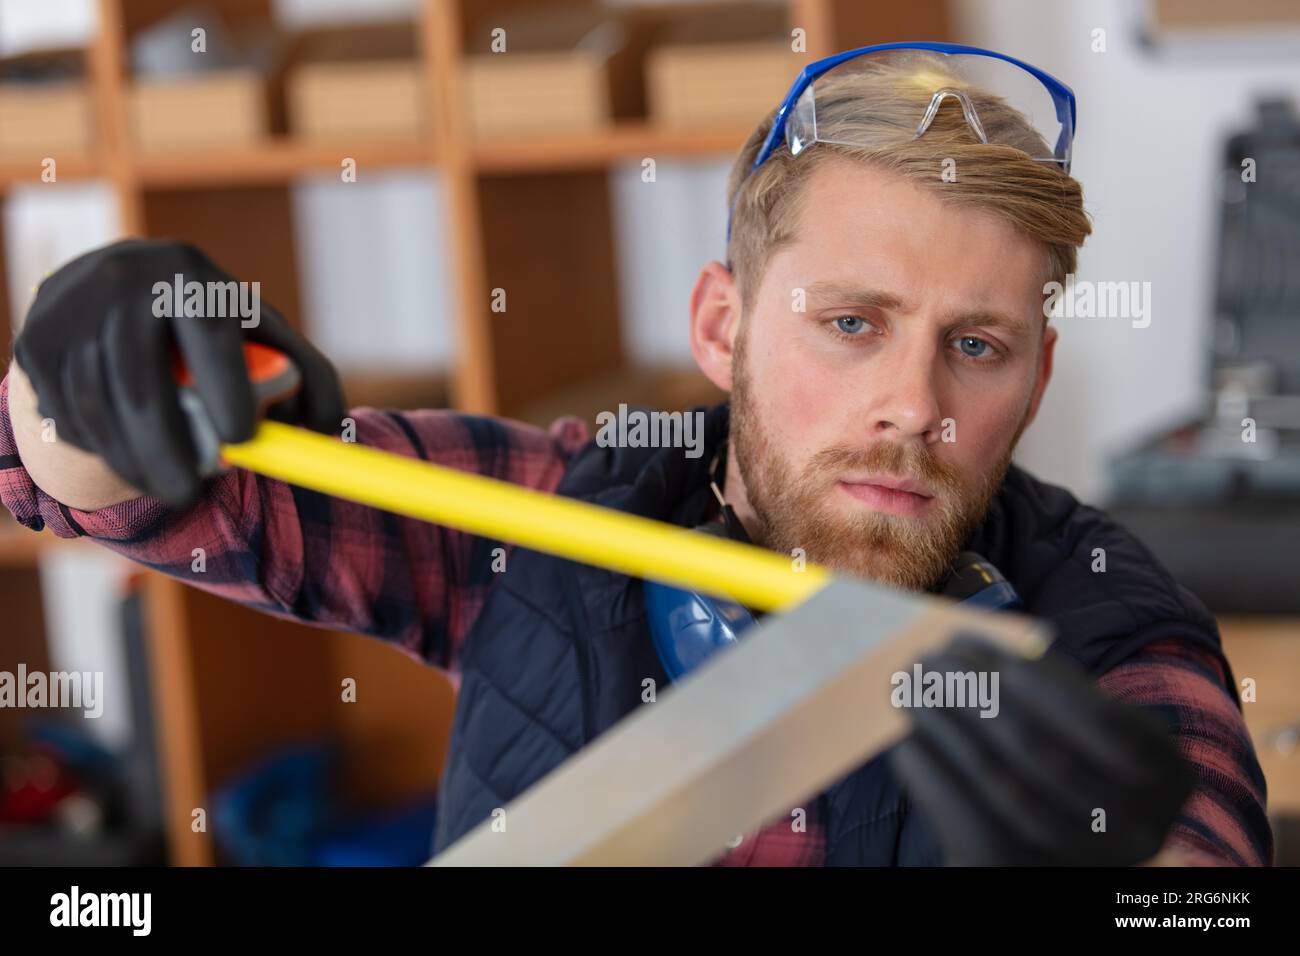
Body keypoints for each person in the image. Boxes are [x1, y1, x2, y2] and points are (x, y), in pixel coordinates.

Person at [0, 45, 1271, 865]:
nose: (909, 404)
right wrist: (76, 375)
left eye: (977, 346)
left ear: (1037, 377)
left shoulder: (1111, 631)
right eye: (849, 324)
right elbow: (127, 495)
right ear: (720, 326)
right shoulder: (554, 512)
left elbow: (1194, 867)